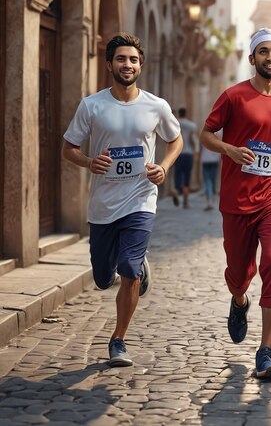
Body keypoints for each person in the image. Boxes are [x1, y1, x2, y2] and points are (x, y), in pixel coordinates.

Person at [62, 33, 182, 367]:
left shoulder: (156, 106)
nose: (127, 65)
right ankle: (134, 266)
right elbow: (68, 148)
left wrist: (163, 167)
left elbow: (175, 140)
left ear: (140, 66)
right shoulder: (92, 105)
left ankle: (118, 340)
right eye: (120, 59)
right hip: (103, 204)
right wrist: (88, 161)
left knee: (128, 270)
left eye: (133, 60)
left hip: (140, 200)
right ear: (109, 64)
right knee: (103, 277)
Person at [200, 28, 271, 379]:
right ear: (252, 58)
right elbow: (204, 135)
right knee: (238, 273)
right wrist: (229, 149)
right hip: (236, 198)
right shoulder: (233, 97)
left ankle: (266, 350)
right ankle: (239, 300)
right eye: (264, 52)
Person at [172, 107, 198, 208]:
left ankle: (175, 190)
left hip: (178, 153)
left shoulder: (175, 124)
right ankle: (186, 202)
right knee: (187, 176)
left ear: (179, 114)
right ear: (186, 114)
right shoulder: (192, 125)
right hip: (188, 154)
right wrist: (195, 153)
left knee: (177, 174)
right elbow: (193, 140)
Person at [201, 133, 221, 211]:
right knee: (212, 180)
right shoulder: (218, 136)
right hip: (214, 160)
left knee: (207, 180)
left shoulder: (204, 135)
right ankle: (211, 200)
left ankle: (209, 200)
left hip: (205, 159)